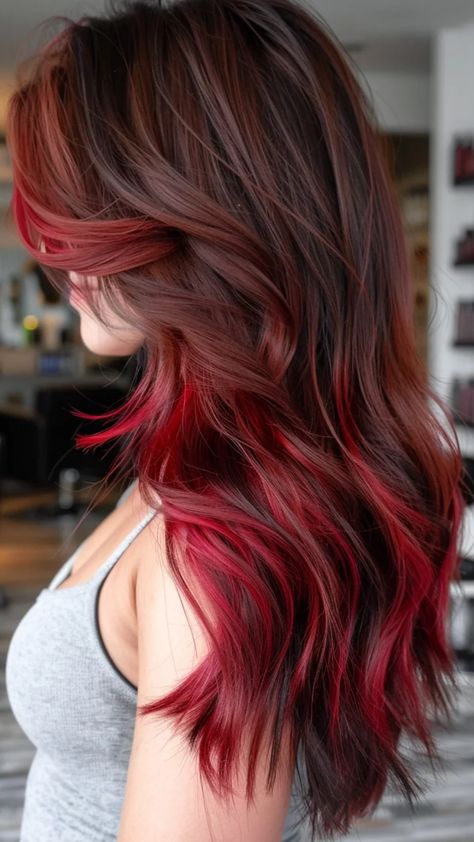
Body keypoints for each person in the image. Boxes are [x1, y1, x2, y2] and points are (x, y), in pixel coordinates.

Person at [4, 0, 466, 840]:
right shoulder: (197, 474)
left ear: (209, 225)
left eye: (89, 209)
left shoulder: (211, 557)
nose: (58, 250)